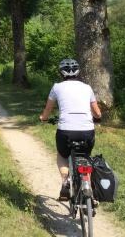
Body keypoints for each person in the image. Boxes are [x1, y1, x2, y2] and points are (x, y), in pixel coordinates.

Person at [39, 58, 102, 201]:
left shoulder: (56, 87)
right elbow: (97, 113)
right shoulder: (87, 87)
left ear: (61, 73)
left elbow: (48, 109)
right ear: (78, 71)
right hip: (87, 131)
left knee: (62, 154)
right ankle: (88, 189)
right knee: (85, 156)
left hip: (65, 130)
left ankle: (65, 181)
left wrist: (43, 118)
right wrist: (97, 118)